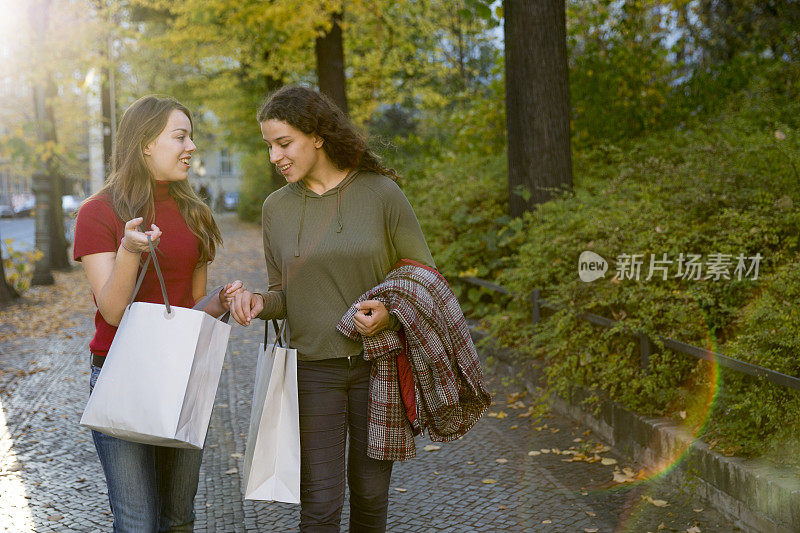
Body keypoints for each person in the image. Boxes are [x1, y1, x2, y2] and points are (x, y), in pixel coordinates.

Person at [230, 85, 435, 533]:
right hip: (312, 370)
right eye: (269, 146)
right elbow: (286, 295)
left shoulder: (381, 194)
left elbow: (423, 277)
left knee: (370, 495)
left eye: (284, 143)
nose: (274, 156)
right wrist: (258, 302)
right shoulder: (275, 209)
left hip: (376, 366)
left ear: (318, 135)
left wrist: (389, 312)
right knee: (320, 505)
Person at [73, 94, 241, 532]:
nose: (190, 147)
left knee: (178, 519)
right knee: (137, 523)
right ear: (145, 142)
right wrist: (130, 248)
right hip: (119, 375)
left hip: (180, 378)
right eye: (179, 136)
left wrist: (220, 301)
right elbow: (111, 311)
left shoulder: (196, 214)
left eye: (191, 138)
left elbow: (190, 316)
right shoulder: (98, 212)